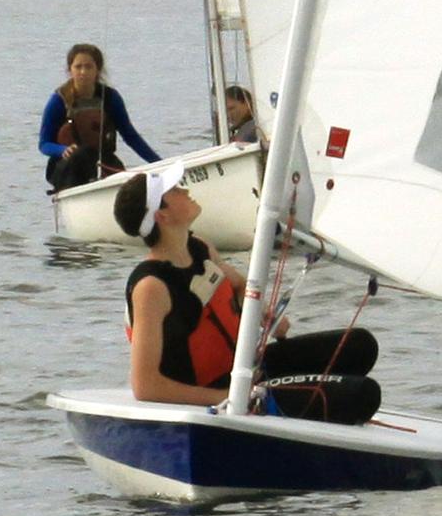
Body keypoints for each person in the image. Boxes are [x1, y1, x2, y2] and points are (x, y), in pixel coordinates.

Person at [113, 162, 381, 423]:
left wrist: (265, 314)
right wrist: (225, 396)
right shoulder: (151, 286)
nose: (184, 190)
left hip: (248, 368)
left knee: (361, 345)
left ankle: (313, 405)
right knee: (364, 394)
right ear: (162, 216)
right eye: (174, 191)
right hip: (218, 391)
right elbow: (146, 386)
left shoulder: (199, 248)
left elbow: (240, 286)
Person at [39, 43, 161, 191]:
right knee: (80, 155)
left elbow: (131, 137)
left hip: (102, 161)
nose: (83, 72)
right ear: (70, 70)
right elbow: (44, 144)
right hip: (67, 166)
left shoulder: (110, 98)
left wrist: (159, 164)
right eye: (78, 67)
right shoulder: (58, 101)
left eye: (88, 66)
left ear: (98, 70)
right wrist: (62, 150)